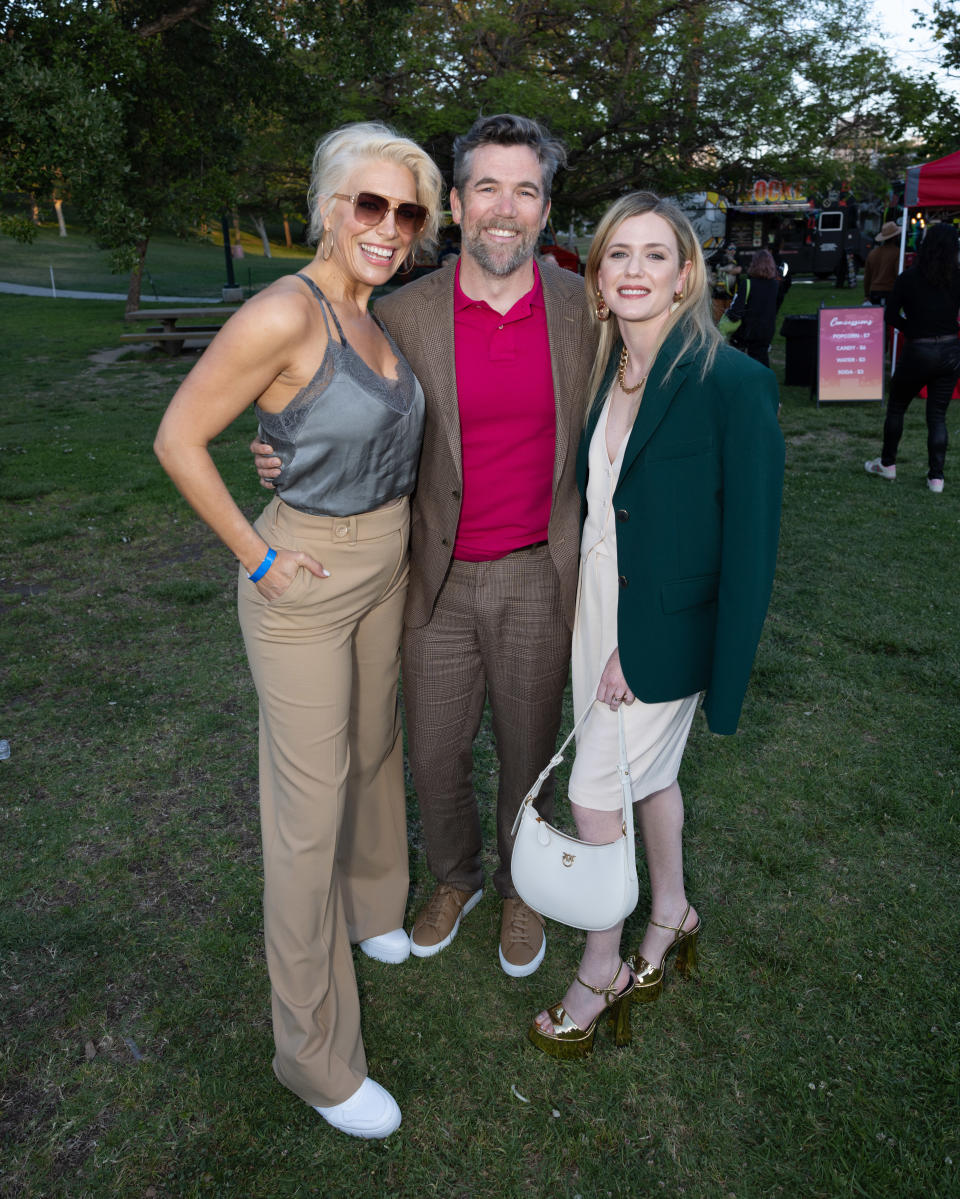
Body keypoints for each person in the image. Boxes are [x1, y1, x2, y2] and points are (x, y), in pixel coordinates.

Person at [253, 115, 597, 978]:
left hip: (537, 573)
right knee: (435, 751)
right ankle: (456, 877)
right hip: (428, 575)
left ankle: (524, 890)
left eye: (525, 190)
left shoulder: (581, 307)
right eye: (487, 187)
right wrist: (281, 449)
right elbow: (336, 398)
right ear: (456, 201)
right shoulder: (402, 311)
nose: (505, 209)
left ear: (546, 206)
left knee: (528, 746)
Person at [154, 122, 443, 1139]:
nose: (389, 226)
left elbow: (323, 425)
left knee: (375, 749)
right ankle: (313, 1055)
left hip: (383, 561)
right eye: (370, 204)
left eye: (408, 212)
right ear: (327, 205)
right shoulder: (285, 308)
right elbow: (178, 437)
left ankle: (374, 910)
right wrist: (259, 553)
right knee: (303, 816)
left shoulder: (377, 310)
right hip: (306, 582)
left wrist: (290, 449)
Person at [529, 192, 784, 1058]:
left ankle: (602, 962)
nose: (634, 270)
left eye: (654, 255)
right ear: (596, 277)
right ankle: (670, 911)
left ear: (685, 275)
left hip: (659, 630)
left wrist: (662, 655)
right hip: (594, 606)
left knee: (592, 793)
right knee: (649, 776)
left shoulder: (734, 384)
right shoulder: (610, 371)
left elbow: (748, 547)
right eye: (617, 255)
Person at [865, 222, 960, 494]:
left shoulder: (908, 278)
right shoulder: (957, 277)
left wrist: (914, 330)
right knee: (938, 415)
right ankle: (936, 478)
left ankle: (888, 464)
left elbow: (891, 315)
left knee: (897, 407)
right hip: (950, 351)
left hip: (919, 349)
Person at [727, 248, 781, 367]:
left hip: (749, 331)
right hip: (767, 329)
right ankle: (765, 382)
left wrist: (729, 314)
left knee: (747, 362)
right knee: (762, 359)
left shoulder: (747, 284)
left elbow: (736, 312)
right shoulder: (775, 285)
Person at [862, 221, 901, 307]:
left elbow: (867, 277)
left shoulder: (872, 253)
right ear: (896, 237)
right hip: (890, 291)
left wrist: (867, 295)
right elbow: (899, 274)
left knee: (877, 318)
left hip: (874, 292)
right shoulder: (897, 253)